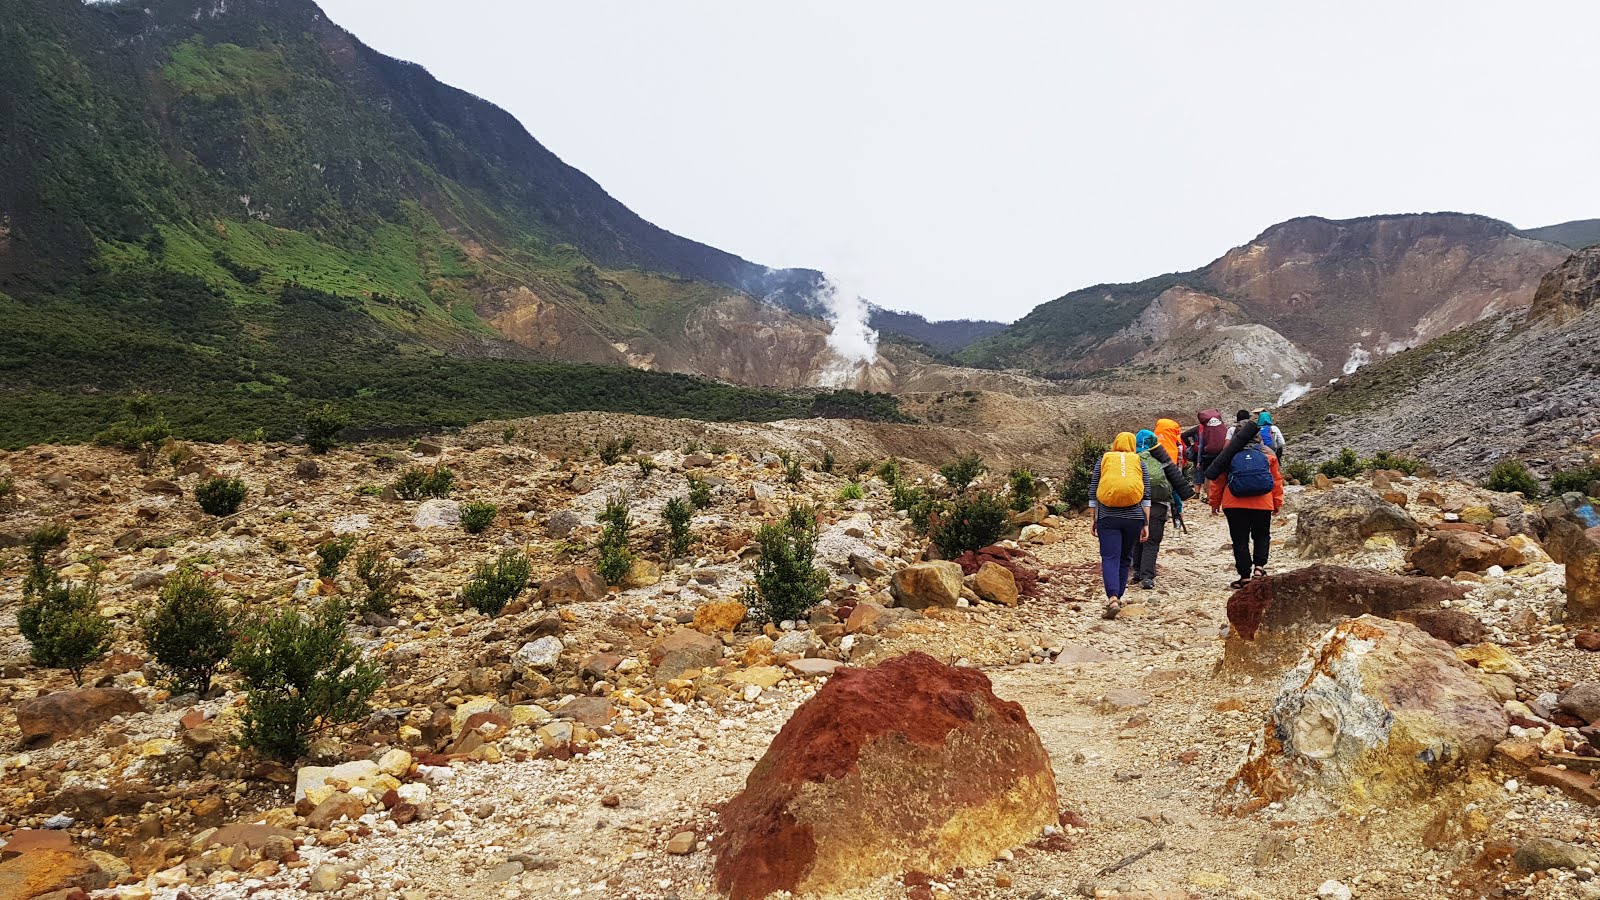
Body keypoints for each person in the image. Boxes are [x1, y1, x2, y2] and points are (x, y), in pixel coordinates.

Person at [1208, 413, 1286, 588]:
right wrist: (1277, 502)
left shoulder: (1228, 456)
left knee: (1240, 539)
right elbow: (1276, 481)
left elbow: (1219, 481)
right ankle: (1259, 568)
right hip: (1263, 502)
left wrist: (1214, 503)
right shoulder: (1268, 454)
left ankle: (1244, 576)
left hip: (1234, 503)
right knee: (1262, 535)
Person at [1088, 432, 1150, 617]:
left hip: (1108, 517)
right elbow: (1146, 497)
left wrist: (1093, 518)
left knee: (1110, 557)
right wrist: (1146, 523)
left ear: (1115, 443)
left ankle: (1112, 598)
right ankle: (1119, 598)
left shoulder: (1104, 460)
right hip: (1134, 518)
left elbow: (1093, 491)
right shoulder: (1139, 462)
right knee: (1125, 558)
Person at [1134, 429, 1195, 590]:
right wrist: (1178, 508)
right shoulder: (1161, 460)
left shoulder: (1131, 460)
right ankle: (1147, 577)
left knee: (1136, 539)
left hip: (1135, 506)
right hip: (1158, 505)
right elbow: (1174, 487)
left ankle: (1136, 571)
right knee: (1152, 541)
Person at [1191, 409, 1229, 509]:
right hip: (1223, 454)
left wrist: (1199, 461)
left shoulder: (1205, 430)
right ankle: (1224, 497)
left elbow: (1201, 446)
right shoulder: (1224, 428)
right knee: (1224, 476)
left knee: (1208, 477)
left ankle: (1209, 498)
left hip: (1209, 455)